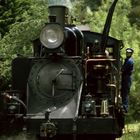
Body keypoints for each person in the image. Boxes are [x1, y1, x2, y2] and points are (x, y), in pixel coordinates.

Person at [121, 48, 134, 113]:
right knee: (123, 92)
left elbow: (123, 69)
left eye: (129, 52)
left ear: (131, 53)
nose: (127, 53)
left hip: (127, 78)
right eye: (127, 52)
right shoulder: (127, 60)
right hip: (125, 77)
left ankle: (125, 107)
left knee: (125, 93)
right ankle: (123, 106)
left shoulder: (129, 61)